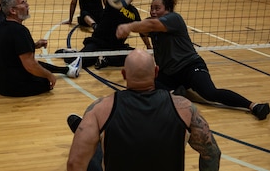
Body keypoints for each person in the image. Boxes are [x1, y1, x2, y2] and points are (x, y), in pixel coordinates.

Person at [116, 0, 270, 120]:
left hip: (189, 66)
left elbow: (149, 25)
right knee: (145, 85)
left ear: (168, 9)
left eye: (157, 8)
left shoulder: (174, 19)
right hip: (168, 72)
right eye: (151, 8)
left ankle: (253, 105)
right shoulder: (152, 23)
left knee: (210, 93)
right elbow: (141, 25)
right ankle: (176, 92)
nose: (153, 11)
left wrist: (128, 27)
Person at [66, 49, 221, 171]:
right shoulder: (185, 108)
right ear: (156, 72)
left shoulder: (99, 109)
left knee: (95, 151)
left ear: (124, 74)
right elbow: (212, 154)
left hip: (101, 125)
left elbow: (74, 164)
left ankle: (85, 129)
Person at [0, 0, 82, 97]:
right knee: (45, 80)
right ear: (13, 10)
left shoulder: (1, 25)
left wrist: (34, 45)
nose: (27, 5)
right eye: (23, 3)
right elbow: (30, 66)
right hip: (12, 87)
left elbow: (11, 50)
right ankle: (67, 71)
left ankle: (67, 70)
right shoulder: (20, 30)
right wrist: (50, 76)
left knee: (34, 63)